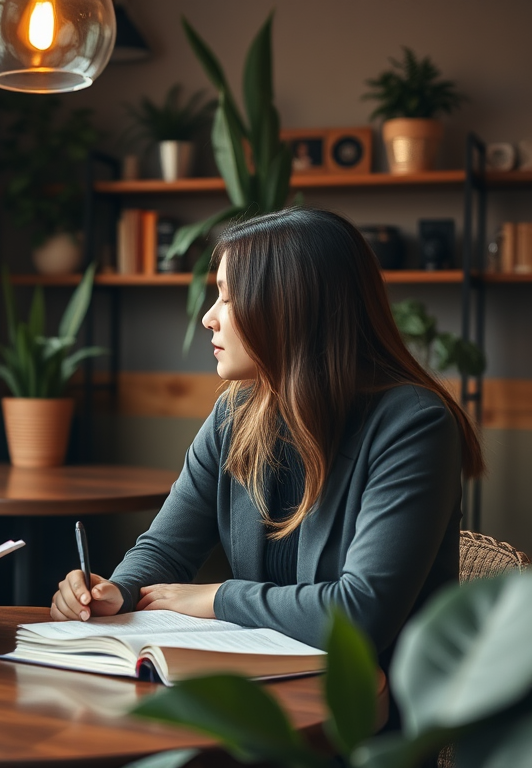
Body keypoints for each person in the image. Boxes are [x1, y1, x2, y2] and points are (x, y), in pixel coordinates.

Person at [50, 207, 483, 677]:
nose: (208, 319)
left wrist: (218, 596)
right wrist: (119, 589)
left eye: (227, 299)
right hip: (260, 689)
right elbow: (166, 550)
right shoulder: (235, 414)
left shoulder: (413, 425)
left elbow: (360, 616)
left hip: (363, 714)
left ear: (289, 308)